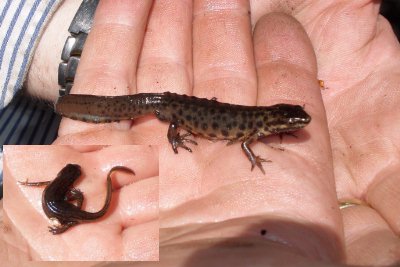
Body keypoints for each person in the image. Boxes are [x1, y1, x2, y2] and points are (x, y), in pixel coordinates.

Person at [1, 0, 400, 265]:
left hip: (175, 106)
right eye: (292, 121)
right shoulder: (255, 129)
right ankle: (172, 132)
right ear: (277, 120)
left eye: (294, 121)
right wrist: (177, 135)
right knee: (177, 118)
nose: (296, 125)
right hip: (172, 110)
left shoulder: (260, 121)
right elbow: (245, 144)